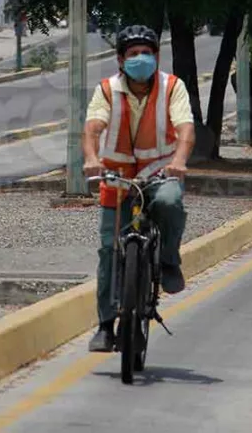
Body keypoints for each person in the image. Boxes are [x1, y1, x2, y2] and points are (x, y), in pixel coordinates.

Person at [82, 24, 196, 353]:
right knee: (108, 250)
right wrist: (91, 158)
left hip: (160, 171)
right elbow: (92, 128)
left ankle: (170, 261)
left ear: (156, 56)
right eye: (133, 54)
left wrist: (180, 160)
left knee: (172, 201)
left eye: (147, 53)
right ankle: (105, 325)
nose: (141, 59)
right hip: (116, 176)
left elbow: (185, 127)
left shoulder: (172, 86)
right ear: (120, 59)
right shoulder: (107, 90)